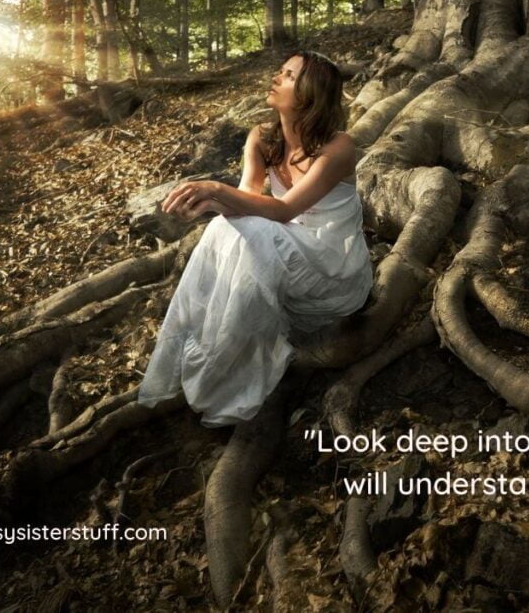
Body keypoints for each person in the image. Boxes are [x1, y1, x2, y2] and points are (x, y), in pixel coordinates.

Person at [136, 51, 373, 427]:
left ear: (311, 93)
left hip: (335, 275)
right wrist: (209, 204)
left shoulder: (338, 147)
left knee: (259, 230)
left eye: (289, 75)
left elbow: (282, 211)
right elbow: (249, 198)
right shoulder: (262, 139)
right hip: (286, 256)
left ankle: (242, 371)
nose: (276, 78)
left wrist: (214, 187)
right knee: (220, 228)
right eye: (279, 71)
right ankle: (213, 357)